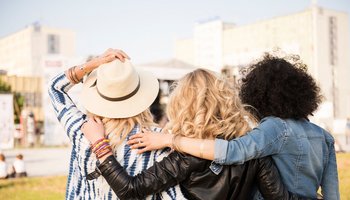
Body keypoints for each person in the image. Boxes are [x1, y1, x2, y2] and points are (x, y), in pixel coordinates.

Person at [128, 54, 339, 199]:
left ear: (260, 93)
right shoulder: (325, 136)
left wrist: (169, 139)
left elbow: (230, 151)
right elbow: (332, 194)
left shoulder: (273, 128)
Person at [83, 69, 303, 200]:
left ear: (184, 105)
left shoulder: (186, 156)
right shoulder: (254, 149)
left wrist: (100, 144)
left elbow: (131, 191)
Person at [48, 48, 185, 200]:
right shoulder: (155, 139)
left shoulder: (83, 130)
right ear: (140, 95)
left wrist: (95, 63)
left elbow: (55, 87)